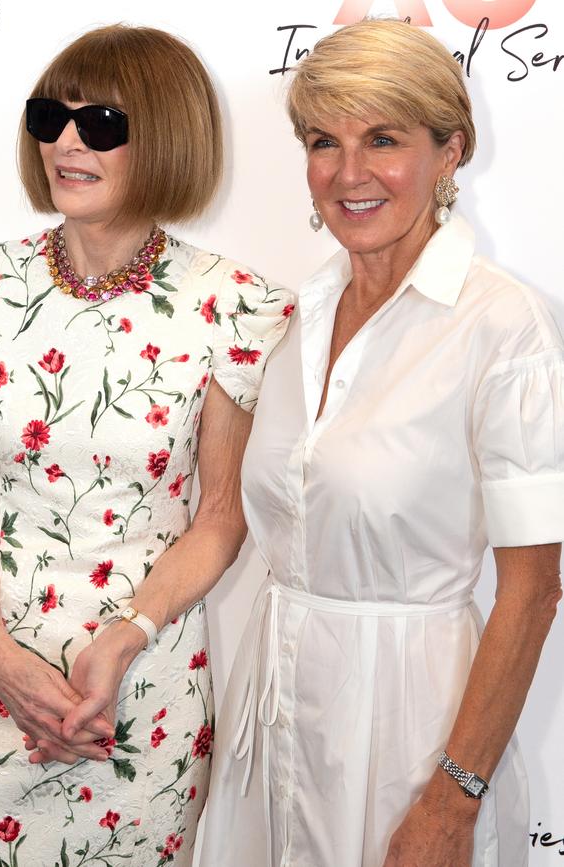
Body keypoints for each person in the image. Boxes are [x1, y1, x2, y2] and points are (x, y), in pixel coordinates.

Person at [0, 24, 292, 865]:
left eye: (102, 123)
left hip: (141, 692)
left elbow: (220, 516)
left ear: (165, 137)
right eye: (50, 116)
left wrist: (126, 637)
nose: (66, 141)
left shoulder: (233, 305)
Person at [200, 18, 564, 867]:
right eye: (324, 141)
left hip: (412, 727)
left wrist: (452, 797)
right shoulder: (301, 312)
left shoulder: (504, 325)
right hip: (275, 712)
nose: (349, 173)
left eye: (384, 139)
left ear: (450, 151)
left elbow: (535, 588)